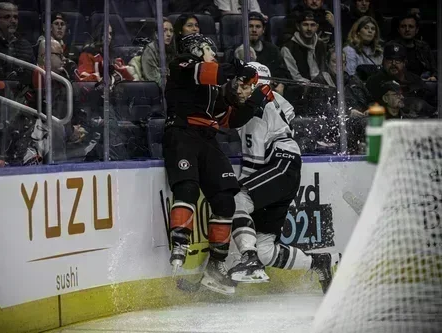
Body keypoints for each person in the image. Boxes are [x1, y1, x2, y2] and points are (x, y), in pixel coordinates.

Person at [165, 33, 274, 295]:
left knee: (226, 199)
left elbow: (229, 120)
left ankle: (216, 265)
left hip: (207, 138)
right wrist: (237, 68)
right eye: (210, 50)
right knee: (187, 188)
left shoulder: (213, 86)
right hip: (182, 132)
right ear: (197, 49)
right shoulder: (181, 66)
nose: (213, 54)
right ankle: (180, 244)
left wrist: (256, 99)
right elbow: (208, 71)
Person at [227, 62, 340, 294]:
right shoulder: (275, 103)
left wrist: (242, 187)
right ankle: (320, 263)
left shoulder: (259, 108)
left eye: (244, 84)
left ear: (257, 84)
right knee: (266, 249)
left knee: (238, 200)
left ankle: (248, 261)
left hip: (278, 165)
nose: (239, 89)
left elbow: (255, 157)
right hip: (285, 170)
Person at [141, 19, 176, 84]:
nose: (169, 34)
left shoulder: (172, 49)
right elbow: (153, 78)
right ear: (156, 34)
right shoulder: (150, 50)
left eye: (171, 31)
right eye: (164, 31)